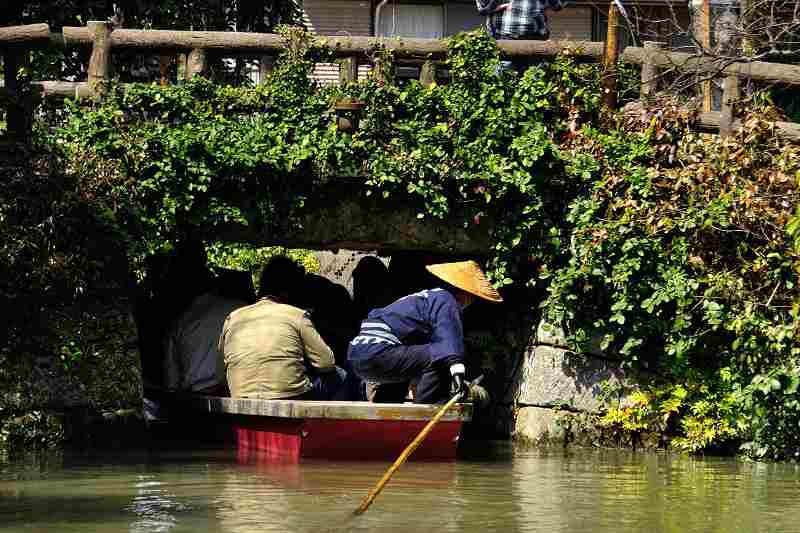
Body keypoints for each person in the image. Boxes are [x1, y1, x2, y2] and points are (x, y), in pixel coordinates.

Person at [347, 260, 503, 404]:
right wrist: (457, 375)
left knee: (408, 364)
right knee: (441, 356)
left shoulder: (426, 298)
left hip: (357, 355)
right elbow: (448, 340)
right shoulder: (446, 299)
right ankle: (427, 409)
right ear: (465, 292)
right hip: (377, 351)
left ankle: (386, 410)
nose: (471, 302)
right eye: (473, 297)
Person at [218, 256, 346, 400]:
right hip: (290, 401)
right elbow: (326, 363)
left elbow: (220, 370)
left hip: (241, 403)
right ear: (288, 290)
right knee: (339, 374)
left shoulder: (233, 318)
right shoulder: (296, 315)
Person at [162, 243, 248, 395]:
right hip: (234, 393)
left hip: (196, 399)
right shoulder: (240, 309)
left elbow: (171, 384)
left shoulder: (179, 324)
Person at [476, 0, 565, 41]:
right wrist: (495, 6)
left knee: (536, 76)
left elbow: (558, 5)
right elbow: (483, 7)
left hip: (536, 37)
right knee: (502, 74)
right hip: (503, 36)